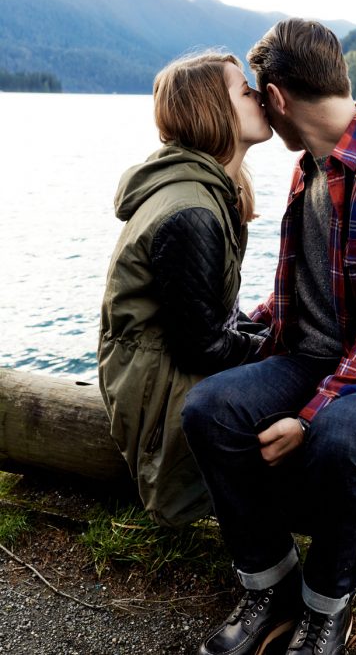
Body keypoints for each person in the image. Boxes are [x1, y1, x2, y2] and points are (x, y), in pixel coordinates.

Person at [182, 19, 356, 655]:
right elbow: (304, 285)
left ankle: (324, 608)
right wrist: (245, 325)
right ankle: (271, 583)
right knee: (208, 410)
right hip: (317, 357)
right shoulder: (310, 167)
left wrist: (310, 418)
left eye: (261, 95)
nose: (258, 106)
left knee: (340, 438)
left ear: (278, 97)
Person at [97, 52, 272, 529]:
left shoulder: (208, 189)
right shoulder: (192, 211)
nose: (259, 95)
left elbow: (207, 321)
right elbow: (204, 346)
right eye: (244, 90)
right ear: (212, 110)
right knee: (310, 393)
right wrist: (284, 352)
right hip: (160, 396)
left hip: (162, 371)